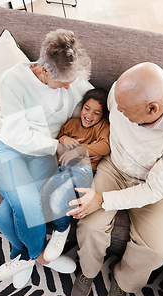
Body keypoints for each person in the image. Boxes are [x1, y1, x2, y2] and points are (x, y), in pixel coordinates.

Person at [67, 62, 163, 296]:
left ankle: (122, 282)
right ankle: (88, 271)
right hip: (114, 168)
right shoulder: (119, 94)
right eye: (117, 103)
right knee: (89, 225)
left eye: (125, 109)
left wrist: (103, 199)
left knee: (157, 250)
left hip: (152, 184)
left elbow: (154, 190)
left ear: (152, 109)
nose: (117, 110)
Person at [0, 28, 93, 289]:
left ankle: (21, 256)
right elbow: (17, 134)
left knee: (3, 217)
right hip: (10, 150)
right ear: (45, 70)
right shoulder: (12, 80)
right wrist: (57, 146)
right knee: (28, 205)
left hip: (43, 156)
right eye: (64, 83)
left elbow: (98, 98)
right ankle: (36, 257)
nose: (69, 87)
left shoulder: (70, 77)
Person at [40, 88, 110, 263]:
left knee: (57, 199)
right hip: (62, 169)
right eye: (87, 108)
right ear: (82, 107)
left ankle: (61, 229)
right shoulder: (71, 124)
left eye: (96, 113)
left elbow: (105, 146)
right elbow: (61, 137)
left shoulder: (103, 127)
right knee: (44, 194)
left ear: (102, 115)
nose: (89, 115)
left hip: (83, 170)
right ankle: (37, 245)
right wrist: (64, 140)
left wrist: (81, 150)